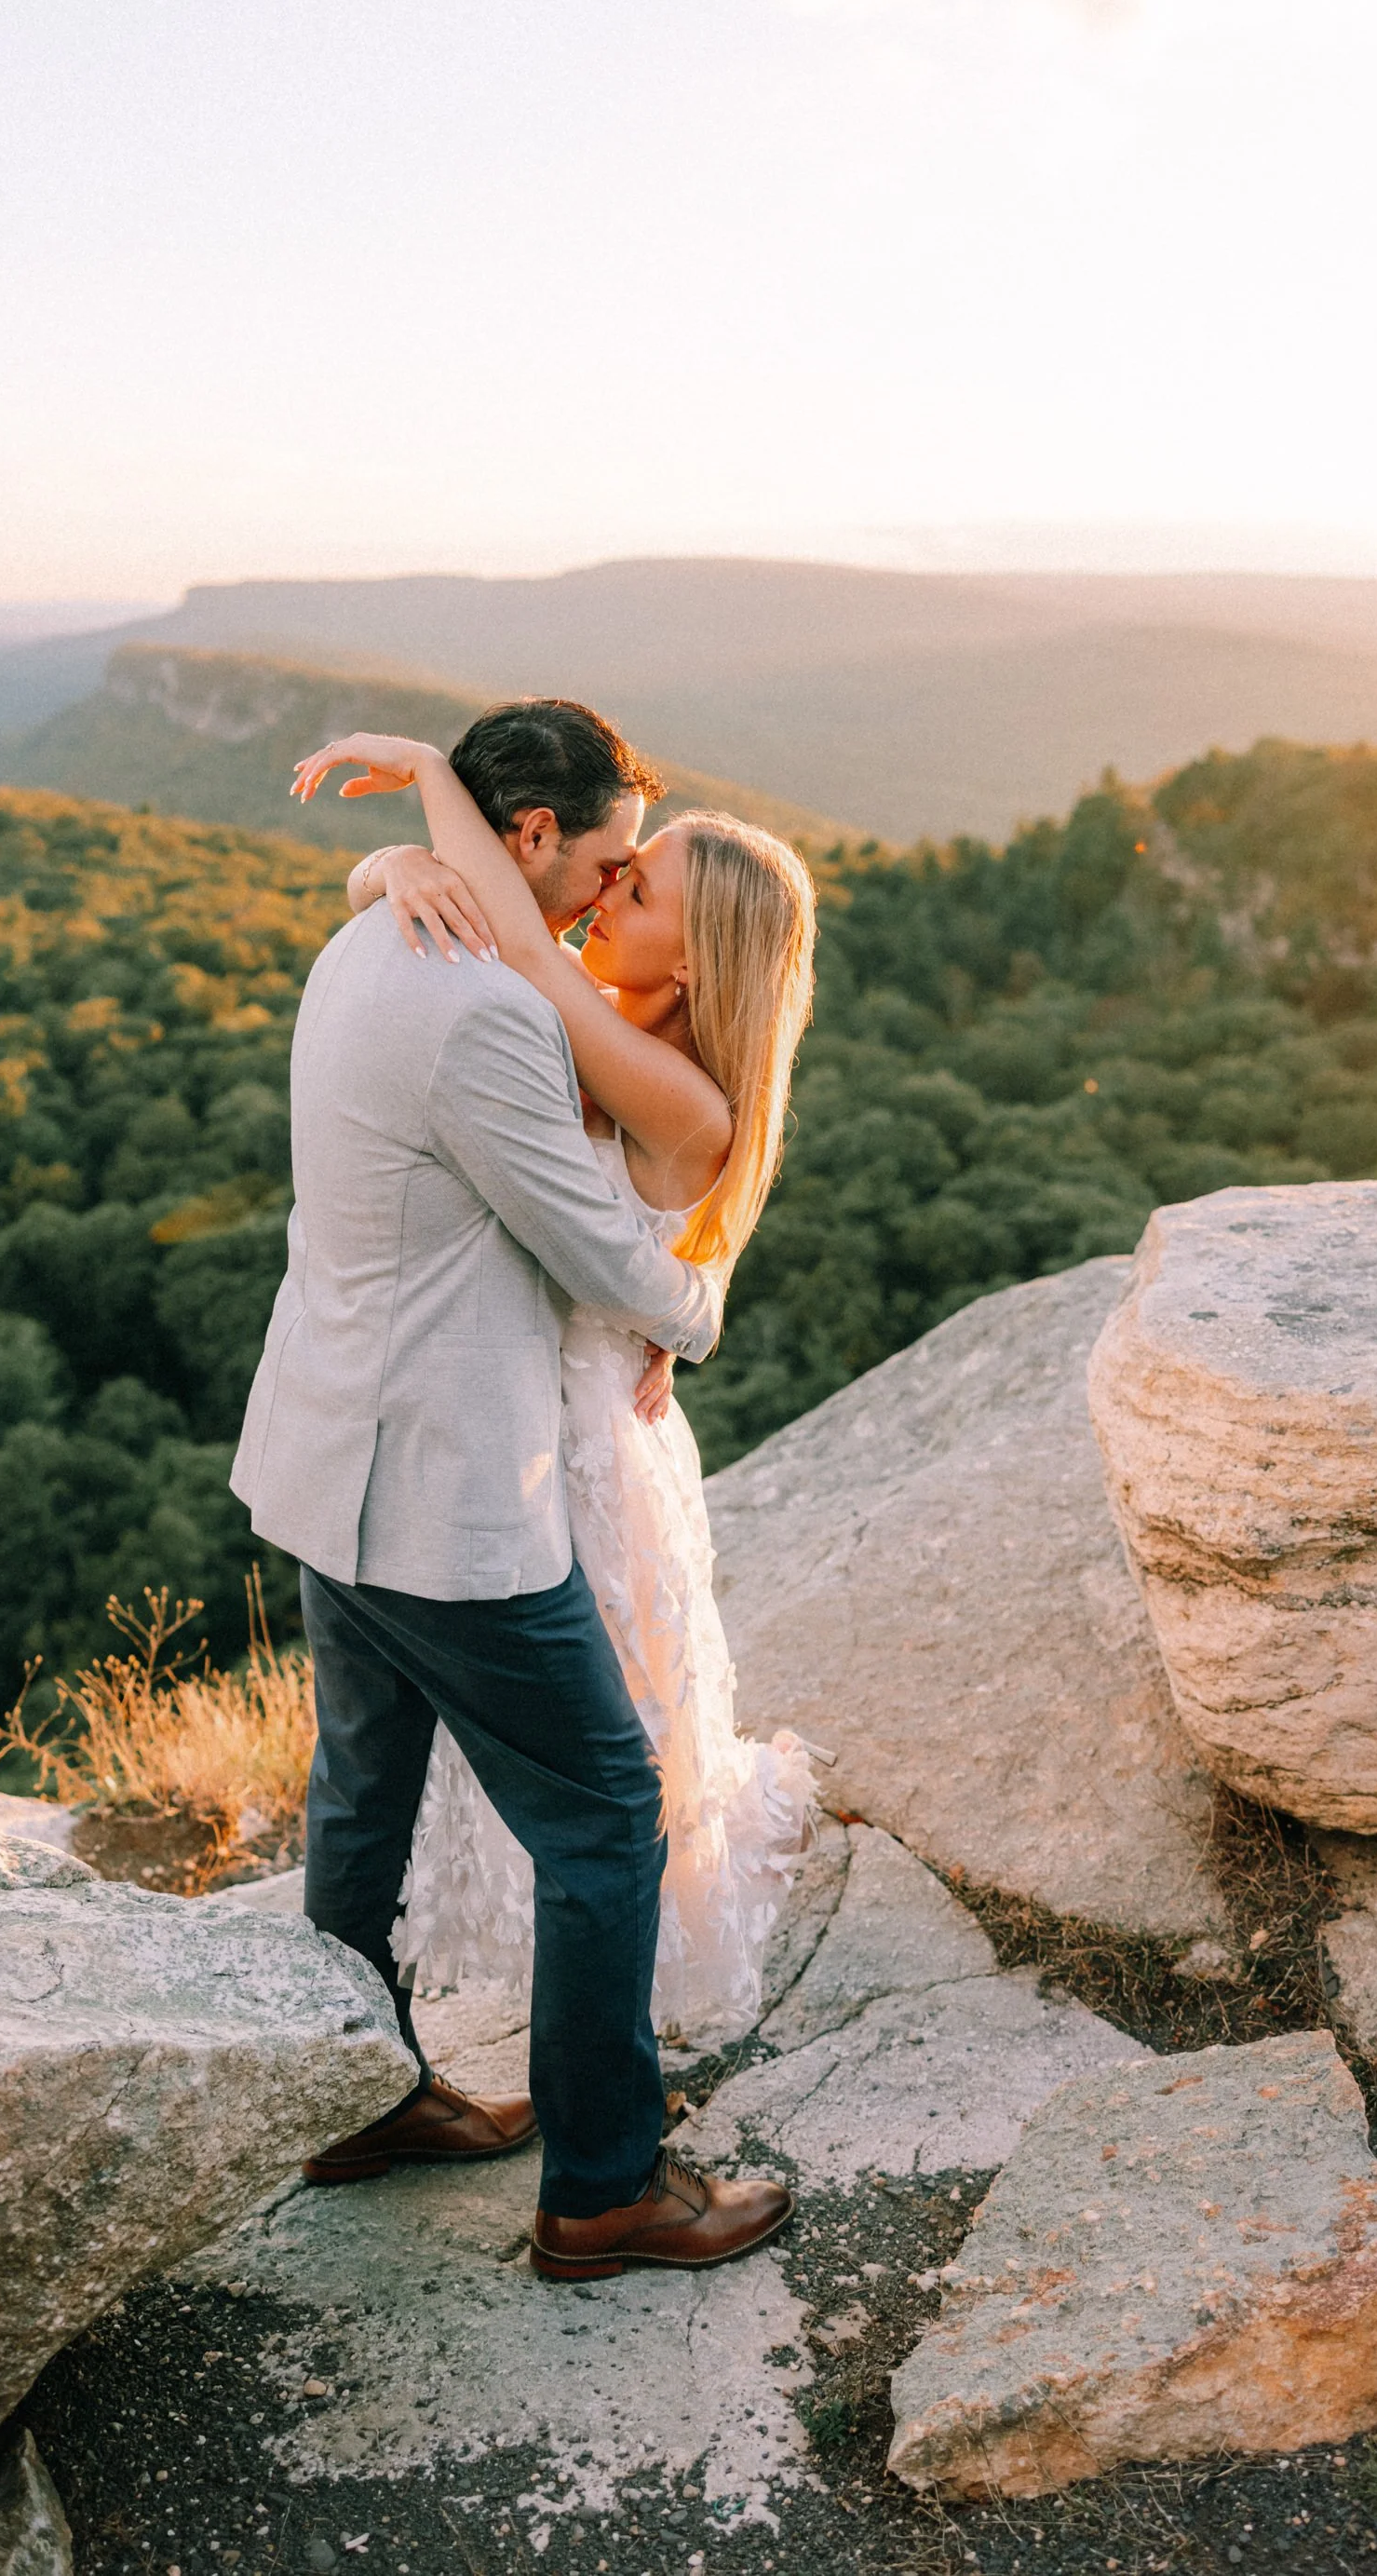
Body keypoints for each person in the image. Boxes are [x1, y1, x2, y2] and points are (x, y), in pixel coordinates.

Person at [233, 698, 794, 2282]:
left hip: (329, 1455)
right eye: (607, 859)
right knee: (609, 1806)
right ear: (530, 838)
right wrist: (693, 1315)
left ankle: (353, 2097)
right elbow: (601, 1247)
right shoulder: (482, 1003)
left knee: (360, 1792)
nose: (612, 890)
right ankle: (606, 2182)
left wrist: (392, 843)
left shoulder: (379, 944)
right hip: (443, 1493)